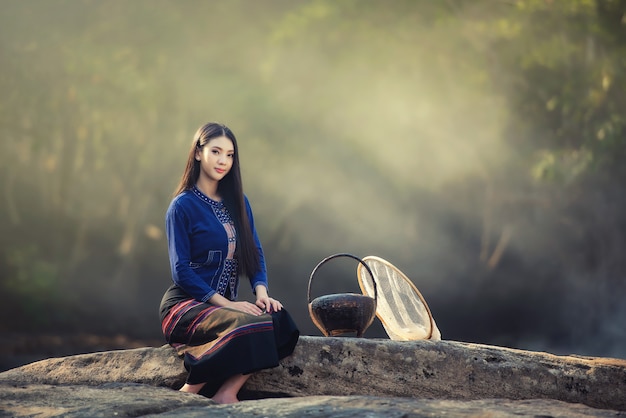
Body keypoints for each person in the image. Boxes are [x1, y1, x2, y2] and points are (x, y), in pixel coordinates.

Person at [159, 122, 299, 404]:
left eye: (230, 154)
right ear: (198, 153)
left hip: (226, 312)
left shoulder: (238, 202)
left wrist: (262, 294)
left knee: (280, 321)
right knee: (246, 322)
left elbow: (255, 253)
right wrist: (229, 304)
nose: (223, 161)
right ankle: (190, 392)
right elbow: (181, 271)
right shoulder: (182, 206)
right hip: (184, 307)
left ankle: (227, 392)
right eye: (216, 152)